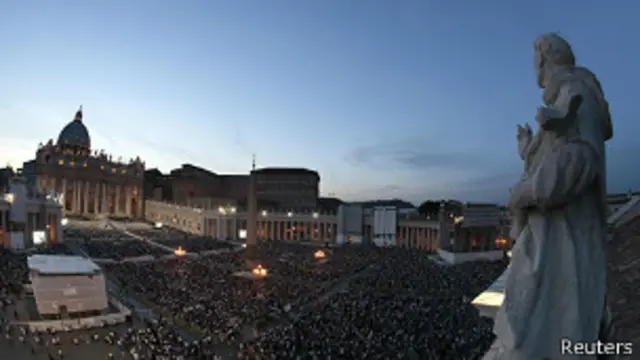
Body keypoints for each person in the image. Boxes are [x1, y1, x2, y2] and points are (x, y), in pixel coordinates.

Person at [491, 33, 612, 360]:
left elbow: (580, 162)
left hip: (563, 241)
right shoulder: (564, 98)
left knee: (542, 335)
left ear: (544, 59)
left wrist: (526, 192)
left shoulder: (578, 95)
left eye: (535, 59)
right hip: (552, 238)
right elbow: (555, 155)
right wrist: (527, 151)